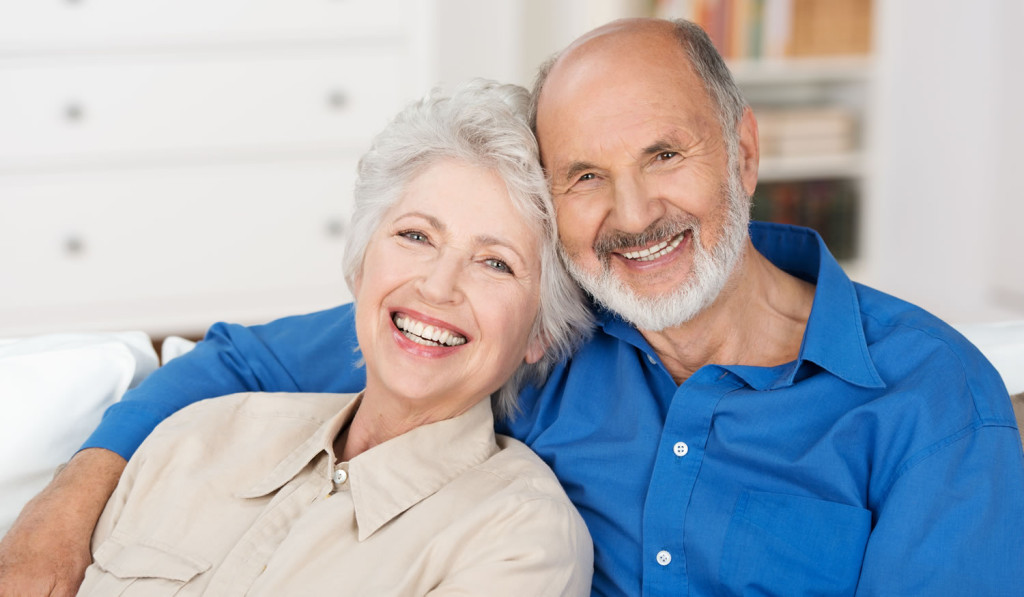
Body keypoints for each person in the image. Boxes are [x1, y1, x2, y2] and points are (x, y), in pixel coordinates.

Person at [2, 17, 1022, 597]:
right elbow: (235, 361)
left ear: (745, 152)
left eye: (664, 155)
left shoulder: (927, 400)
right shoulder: (538, 338)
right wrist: (55, 515)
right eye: (584, 175)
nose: (633, 214)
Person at [75, 80, 594, 595]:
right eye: (416, 236)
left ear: (540, 332)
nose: (437, 287)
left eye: (495, 263)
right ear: (360, 267)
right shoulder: (192, 439)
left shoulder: (518, 539)